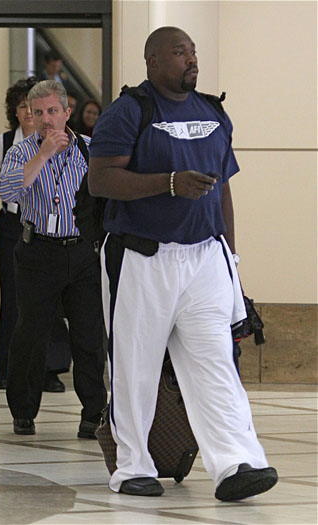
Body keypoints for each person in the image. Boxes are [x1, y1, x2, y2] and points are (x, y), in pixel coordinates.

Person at [88, 26, 277, 501]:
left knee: (216, 362)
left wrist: (230, 255)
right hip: (141, 256)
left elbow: (223, 189)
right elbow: (101, 180)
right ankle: (132, 466)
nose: (191, 59)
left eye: (192, 52)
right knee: (135, 366)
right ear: (152, 60)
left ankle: (238, 462)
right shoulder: (128, 111)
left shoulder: (213, 112)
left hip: (205, 259)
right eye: (180, 52)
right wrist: (169, 183)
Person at [0, 80, 107, 437]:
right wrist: (42, 154)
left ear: (67, 113)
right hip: (37, 252)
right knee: (31, 333)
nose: (46, 119)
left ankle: (93, 412)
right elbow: (9, 190)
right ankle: (24, 410)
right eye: (38, 112)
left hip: (80, 252)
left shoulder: (89, 150)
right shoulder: (21, 151)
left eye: (52, 111)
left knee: (89, 335)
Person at [0, 77, 72, 392]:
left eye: (39, 108)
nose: (32, 115)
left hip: (54, 228)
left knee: (52, 303)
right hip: (15, 226)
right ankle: (7, 370)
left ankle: (50, 369)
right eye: (25, 108)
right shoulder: (4, 143)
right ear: (15, 111)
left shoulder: (64, 141)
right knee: (14, 301)